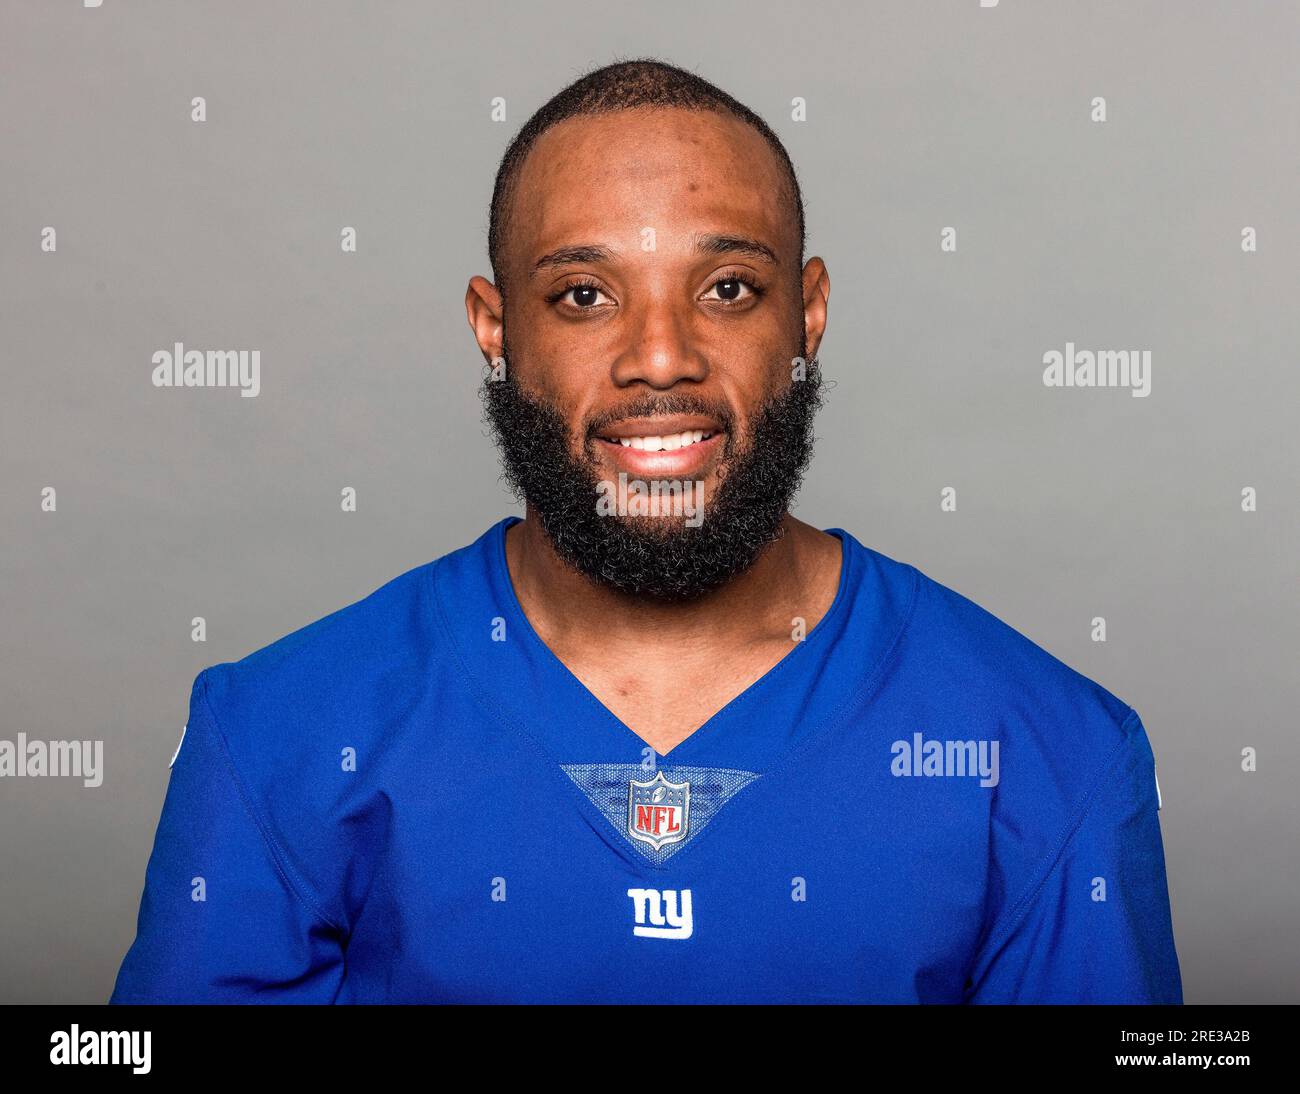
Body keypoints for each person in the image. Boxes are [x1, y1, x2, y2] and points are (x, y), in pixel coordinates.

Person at [110, 58, 1181, 1004]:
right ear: (496, 329)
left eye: (727, 287)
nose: (659, 356)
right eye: (582, 294)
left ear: (805, 317)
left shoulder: (1047, 751)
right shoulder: (279, 733)